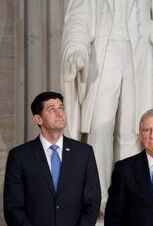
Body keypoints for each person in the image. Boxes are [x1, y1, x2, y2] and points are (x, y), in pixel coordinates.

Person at [60, 0, 153, 212]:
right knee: (100, 128)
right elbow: (79, 14)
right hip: (102, 54)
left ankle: (128, 198)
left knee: (132, 132)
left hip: (141, 54)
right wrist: (75, 48)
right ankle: (99, 200)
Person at [3, 91, 101, 226]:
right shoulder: (19, 156)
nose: (60, 113)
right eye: (51, 109)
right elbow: (13, 207)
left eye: (61, 108)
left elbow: (93, 200)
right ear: (38, 119)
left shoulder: (84, 153)